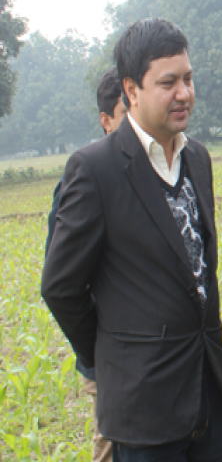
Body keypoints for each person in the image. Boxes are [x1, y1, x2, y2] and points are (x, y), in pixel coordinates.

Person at [42, 18, 222, 460]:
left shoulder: (198, 158)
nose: (184, 93)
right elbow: (60, 286)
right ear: (132, 91)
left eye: (188, 79)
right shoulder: (96, 169)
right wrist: (115, 351)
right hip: (143, 408)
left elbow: (199, 266)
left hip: (206, 392)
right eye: (167, 82)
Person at [45, 67, 126, 462]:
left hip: (148, 356)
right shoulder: (87, 178)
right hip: (110, 357)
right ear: (106, 121)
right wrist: (97, 349)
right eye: (126, 117)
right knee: (112, 444)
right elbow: (61, 283)